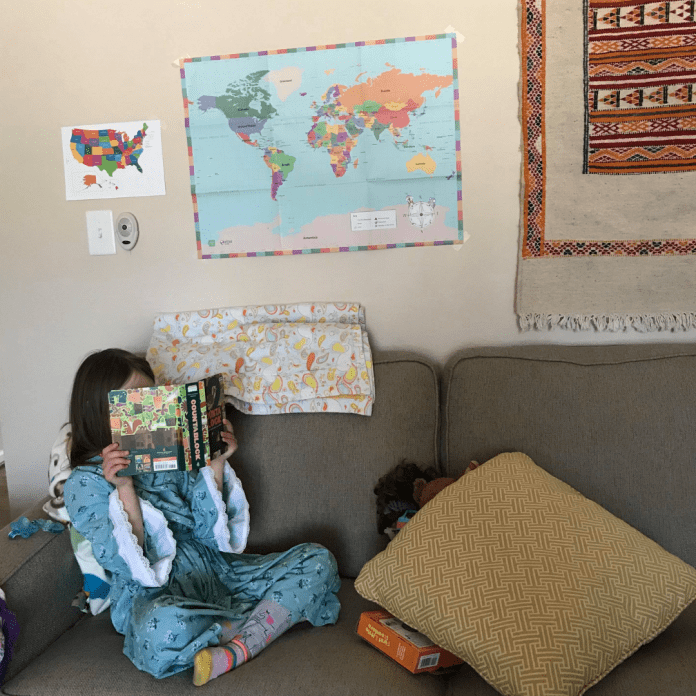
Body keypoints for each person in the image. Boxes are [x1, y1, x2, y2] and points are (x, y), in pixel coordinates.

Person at [64, 349, 341, 684]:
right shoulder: (84, 484)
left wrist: (216, 464)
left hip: (218, 571)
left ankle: (235, 645)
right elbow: (128, 565)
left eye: (154, 399)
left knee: (318, 560)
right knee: (161, 633)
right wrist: (124, 488)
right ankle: (265, 621)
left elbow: (212, 536)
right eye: (137, 401)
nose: (150, 411)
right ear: (101, 410)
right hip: (158, 593)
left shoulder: (171, 448)